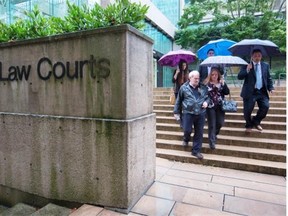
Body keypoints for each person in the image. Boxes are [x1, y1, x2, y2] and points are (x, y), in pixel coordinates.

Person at [173, 70, 210, 159]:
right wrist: (176, 112)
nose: (197, 80)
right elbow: (178, 100)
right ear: (190, 78)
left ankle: (196, 151)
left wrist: (206, 102)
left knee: (199, 132)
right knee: (187, 130)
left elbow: (208, 97)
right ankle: (186, 138)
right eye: (195, 78)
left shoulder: (203, 87)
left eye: (198, 78)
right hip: (188, 113)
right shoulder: (183, 88)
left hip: (200, 113)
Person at [237, 49, 274, 133]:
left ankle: (256, 121)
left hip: (262, 91)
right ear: (252, 56)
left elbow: (268, 78)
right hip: (250, 92)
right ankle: (249, 125)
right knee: (247, 111)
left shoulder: (265, 65)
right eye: (255, 56)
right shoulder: (246, 65)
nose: (257, 57)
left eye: (259, 56)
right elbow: (239, 77)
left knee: (265, 107)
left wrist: (270, 87)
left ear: (261, 56)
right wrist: (247, 70)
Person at [203, 66, 230, 149]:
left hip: (220, 106)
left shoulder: (221, 83)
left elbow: (227, 92)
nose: (214, 76)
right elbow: (203, 94)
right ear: (210, 75)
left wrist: (224, 84)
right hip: (210, 106)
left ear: (218, 75)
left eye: (215, 74)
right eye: (212, 74)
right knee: (212, 124)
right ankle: (212, 142)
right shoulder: (206, 84)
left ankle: (214, 134)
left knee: (220, 123)